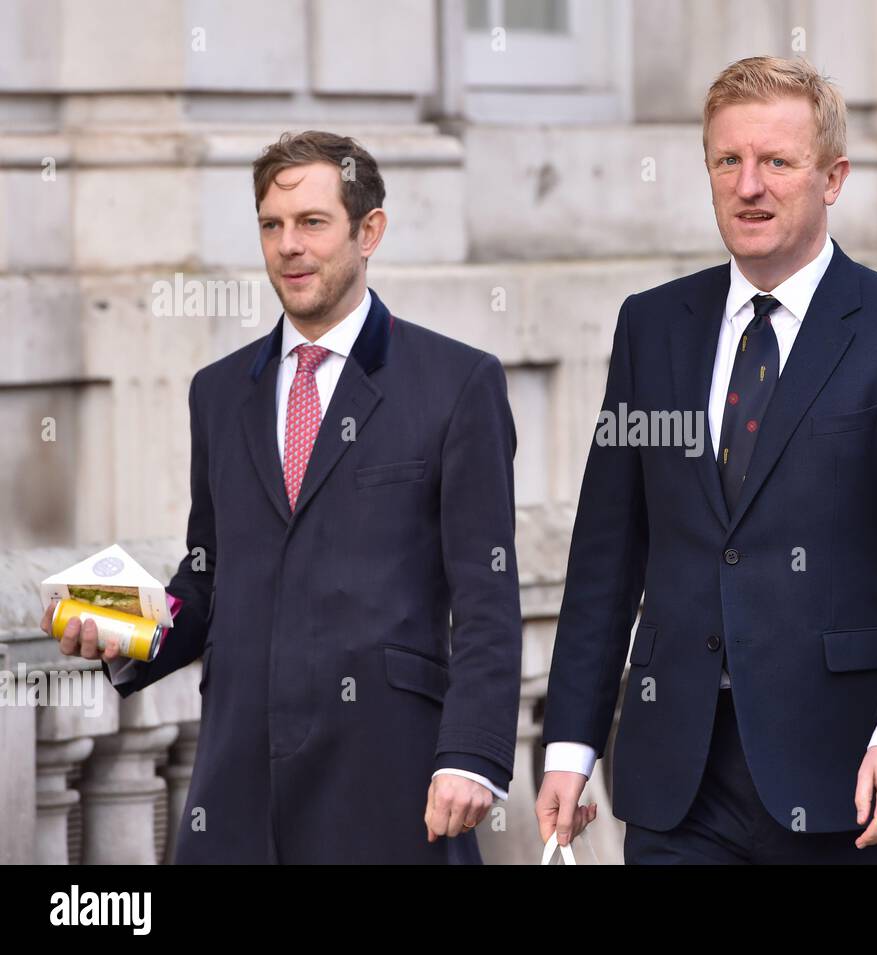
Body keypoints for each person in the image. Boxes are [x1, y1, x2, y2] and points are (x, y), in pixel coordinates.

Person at [535, 57, 877, 864]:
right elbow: (607, 550)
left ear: (833, 177)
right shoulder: (652, 326)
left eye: (777, 162)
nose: (749, 185)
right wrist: (571, 739)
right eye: (727, 161)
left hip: (850, 774)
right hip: (678, 784)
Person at [44, 130, 522, 863]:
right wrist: (123, 630)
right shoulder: (218, 392)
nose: (289, 246)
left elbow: (488, 600)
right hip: (236, 796)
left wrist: (473, 755)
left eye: (312, 222)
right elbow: (206, 583)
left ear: (370, 232)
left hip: (390, 789)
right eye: (272, 224)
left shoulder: (459, 384)